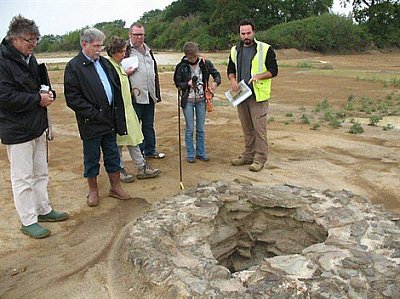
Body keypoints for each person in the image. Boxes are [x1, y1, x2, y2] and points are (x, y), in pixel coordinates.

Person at [0, 15, 69, 239]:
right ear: (15, 38)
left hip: (37, 125)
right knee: (22, 177)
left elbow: (41, 84)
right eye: (30, 40)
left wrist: (49, 93)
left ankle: (44, 209)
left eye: (36, 39)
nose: (34, 44)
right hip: (17, 128)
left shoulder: (29, 57)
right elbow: (5, 96)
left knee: (41, 172)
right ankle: (28, 220)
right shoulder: (3, 61)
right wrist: (37, 99)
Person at [64, 28, 131, 207]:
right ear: (84, 44)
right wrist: (95, 114)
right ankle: (93, 191)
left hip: (109, 120)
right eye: (96, 46)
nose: (100, 49)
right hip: (91, 122)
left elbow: (115, 88)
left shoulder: (104, 63)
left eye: (101, 45)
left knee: (112, 155)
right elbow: (73, 99)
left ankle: (115, 187)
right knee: (92, 157)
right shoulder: (74, 67)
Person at [106, 36, 161, 182]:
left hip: (127, 109)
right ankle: (119, 169)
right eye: (122, 51)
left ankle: (141, 166)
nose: (125, 54)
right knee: (118, 142)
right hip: (117, 112)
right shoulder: (109, 68)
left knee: (133, 138)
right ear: (114, 52)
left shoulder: (118, 66)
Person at [227, 19, 278, 172]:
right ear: (239, 34)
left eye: (248, 33)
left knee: (259, 129)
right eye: (243, 33)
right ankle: (248, 155)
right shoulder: (235, 50)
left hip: (258, 96)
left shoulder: (265, 49)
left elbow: (273, 70)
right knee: (247, 128)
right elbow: (230, 69)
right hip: (242, 95)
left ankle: (260, 158)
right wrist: (233, 80)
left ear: (253, 32)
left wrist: (259, 76)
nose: (246, 36)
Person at [173, 42, 221, 162]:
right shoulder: (181, 66)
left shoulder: (205, 63)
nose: (193, 59)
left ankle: (201, 152)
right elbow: (177, 82)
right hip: (187, 100)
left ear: (197, 53)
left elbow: (217, 75)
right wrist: (187, 84)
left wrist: (215, 83)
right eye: (190, 57)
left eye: (194, 56)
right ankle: (190, 154)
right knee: (189, 128)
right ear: (186, 56)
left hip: (201, 100)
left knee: (201, 128)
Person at [125, 22, 165, 159]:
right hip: (135, 96)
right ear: (130, 35)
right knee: (136, 126)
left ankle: (150, 150)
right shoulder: (125, 51)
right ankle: (139, 154)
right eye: (136, 35)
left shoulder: (149, 51)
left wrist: (157, 94)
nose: (139, 37)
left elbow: (154, 72)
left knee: (148, 125)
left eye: (141, 34)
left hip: (150, 95)